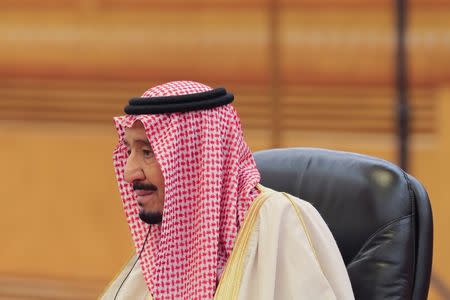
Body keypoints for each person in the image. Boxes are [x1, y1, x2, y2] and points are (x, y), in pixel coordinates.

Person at [99, 81, 354, 300]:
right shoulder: (166, 240)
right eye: (129, 150)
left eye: (148, 152)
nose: (129, 172)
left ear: (196, 158)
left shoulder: (279, 221)